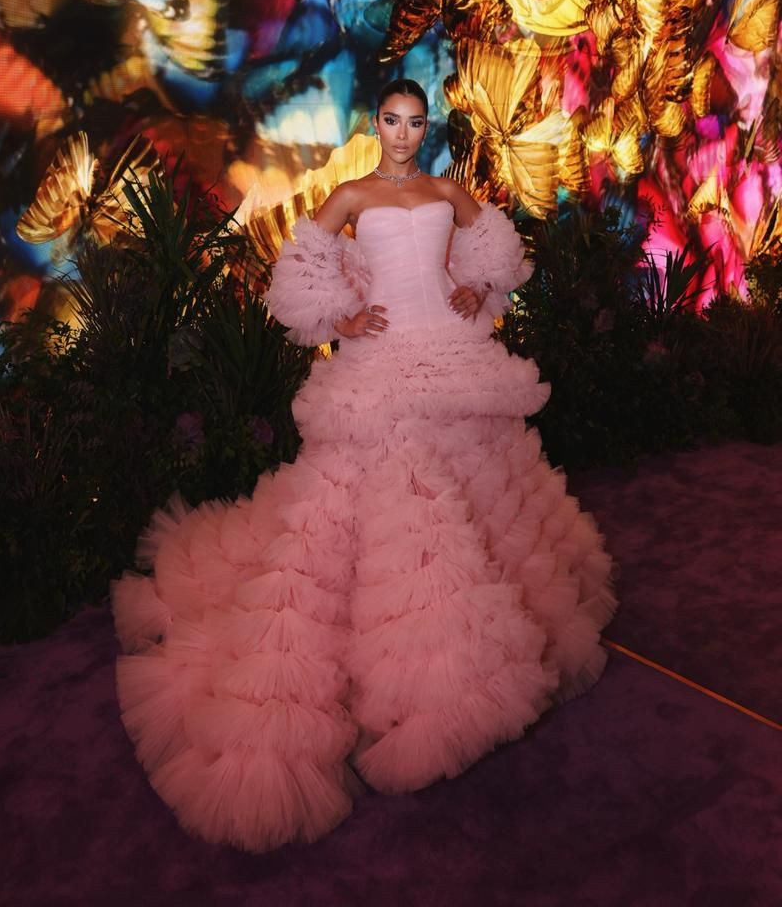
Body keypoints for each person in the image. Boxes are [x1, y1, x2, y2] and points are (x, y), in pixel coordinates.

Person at [111, 77, 619, 853]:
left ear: (426, 127)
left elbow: (499, 252)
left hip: (450, 355)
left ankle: (457, 659)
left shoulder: (447, 190)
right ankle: (420, 664)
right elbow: (297, 269)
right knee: (387, 494)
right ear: (376, 124)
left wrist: (476, 287)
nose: (403, 133)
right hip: (380, 361)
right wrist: (341, 318)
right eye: (392, 120)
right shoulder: (349, 195)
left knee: (477, 487)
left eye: (415, 122)